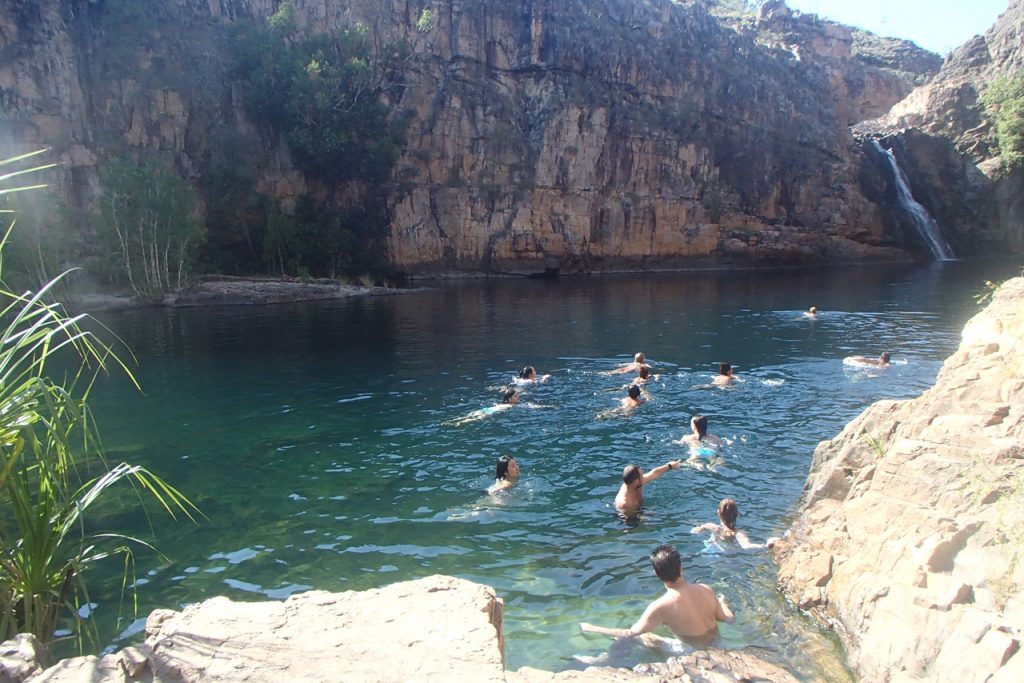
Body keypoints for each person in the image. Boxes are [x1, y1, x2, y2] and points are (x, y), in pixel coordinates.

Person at [580, 544, 733, 642]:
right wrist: (723, 603)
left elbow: (630, 633)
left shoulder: (660, 606)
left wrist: (594, 628)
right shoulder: (706, 589)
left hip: (693, 652)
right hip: (719, 644)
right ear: (681, 567)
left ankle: (601, 660)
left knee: (643, 638)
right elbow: (727, 619)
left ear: (656, 573)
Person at [691, 498, 779, 550]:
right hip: (731, 557)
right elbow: (746, 546)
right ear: (737, 514)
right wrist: (765, 546)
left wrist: (698, 527)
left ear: (718, 513)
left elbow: (694, 532)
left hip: (713, 551)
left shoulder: (711, 526)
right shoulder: (739, 533)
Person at [614, 459, 682, 513]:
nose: (644, 476)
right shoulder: (624, 504)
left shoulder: (635, 483)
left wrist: (670, 466)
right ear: (636, 481)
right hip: (628, 517)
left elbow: (654, 473)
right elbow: (628, 521)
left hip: (639, 509)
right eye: (642, 475)